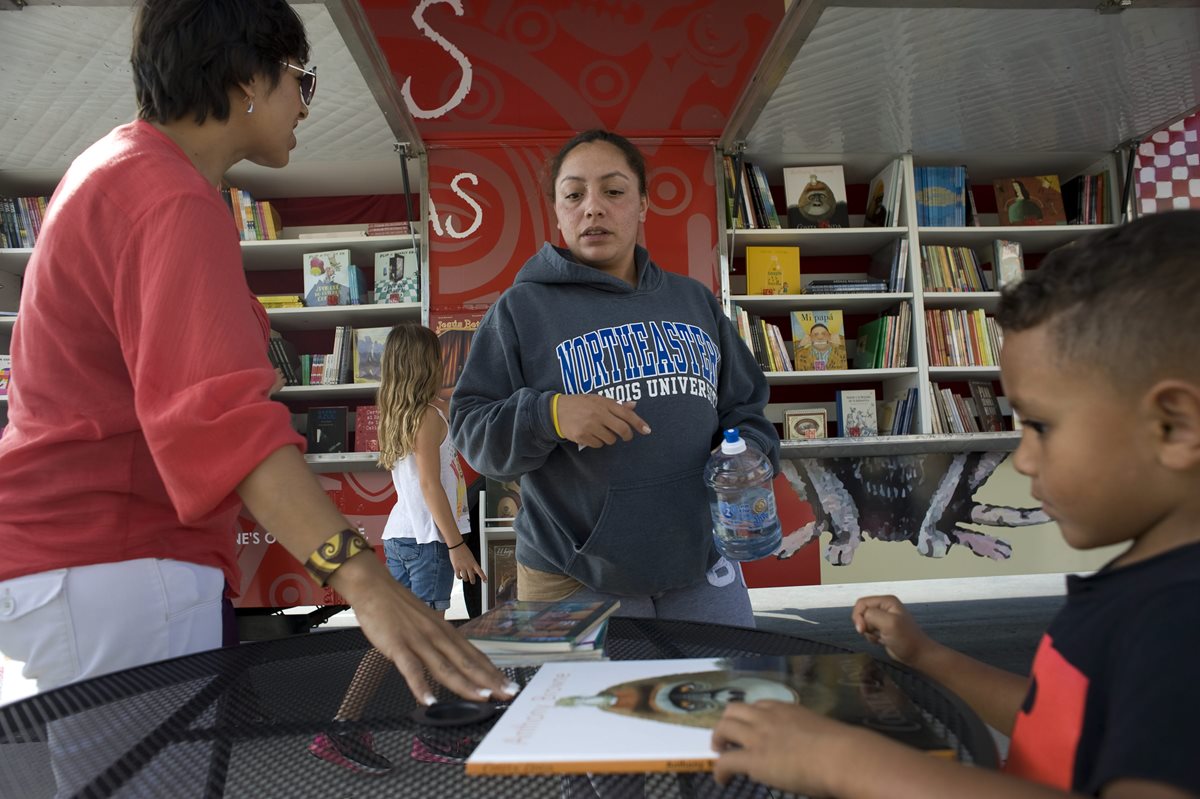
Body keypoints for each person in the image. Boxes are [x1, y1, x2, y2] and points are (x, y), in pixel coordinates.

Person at [0, 0, 514, 711]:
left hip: (90, 563)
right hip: (115, 556)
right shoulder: (168, 197)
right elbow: (220, 419)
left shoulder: (122, 171)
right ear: (247, 78)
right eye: (299, 81)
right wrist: (363, 581)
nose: (305, 106)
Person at [712, 210, 1200, 799]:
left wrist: (849, 763)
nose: (1023, 459)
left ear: (1173, 426)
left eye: (1042, 425)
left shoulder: (1177, 625)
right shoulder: (1144, 591)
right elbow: (1065, 721)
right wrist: (927, 654)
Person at [450, 129, 779, 628]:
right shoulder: (520, 310)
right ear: (558, 212)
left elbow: (745, 409)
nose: (593, 208)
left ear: (643, 204)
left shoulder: (695, 301)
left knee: (729, 699)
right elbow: (472, 432)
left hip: (702, 561)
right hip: (571, 573)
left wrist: (750, 451)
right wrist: (550, 414)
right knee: (580, 709)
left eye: (614, 190)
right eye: (574, 194)